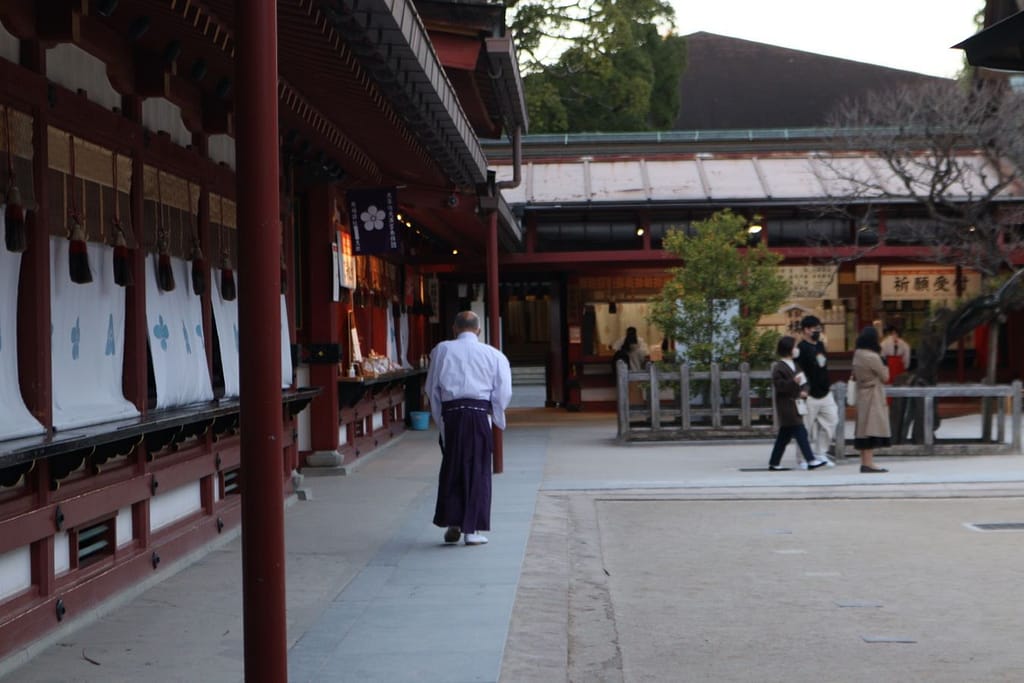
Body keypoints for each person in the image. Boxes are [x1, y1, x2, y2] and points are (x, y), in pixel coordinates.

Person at [425, 310, 512, 545]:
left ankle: (454, 522)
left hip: (451, 414)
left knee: (452, 466)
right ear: (479, 330)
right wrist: (495, 414)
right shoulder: (494, 355)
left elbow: (431, 388)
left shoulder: (441, 350)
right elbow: (503, 392)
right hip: (477, 414)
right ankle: (470, 530)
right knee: (478, 469)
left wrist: (439, 419)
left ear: (454, 329)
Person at [769, 336, 830, 471]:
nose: (797, 350)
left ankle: (774, 462)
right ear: (788, 349)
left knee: (784, 436)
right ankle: (810, 460)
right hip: (786, 405)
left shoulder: (795, 365)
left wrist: (805, 391)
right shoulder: (779, 367)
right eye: (794, 347)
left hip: (797, 403)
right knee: (800, 431)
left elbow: (804, 382)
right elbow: (780, 386)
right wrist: (793, 382)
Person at [794, 315, 838, 468]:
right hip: (809, 394)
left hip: (825, 391)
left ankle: (821, 453)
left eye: (819, 328)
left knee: (831, 422)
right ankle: (803, 458)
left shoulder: (820, 345)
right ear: (806, 330)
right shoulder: (800, 349)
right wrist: (802, 390)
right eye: (815, 329)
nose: (818, 331)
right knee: (805, 428)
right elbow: (797, 371)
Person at [852, 325, 891, 473]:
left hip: (862, 393)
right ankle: (869, 463)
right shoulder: (873, 356)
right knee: (871, 428)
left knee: (863, 428)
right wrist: (884, 363)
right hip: (873, 394)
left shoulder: (858, 354)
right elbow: (885, 377)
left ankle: (864, 461)